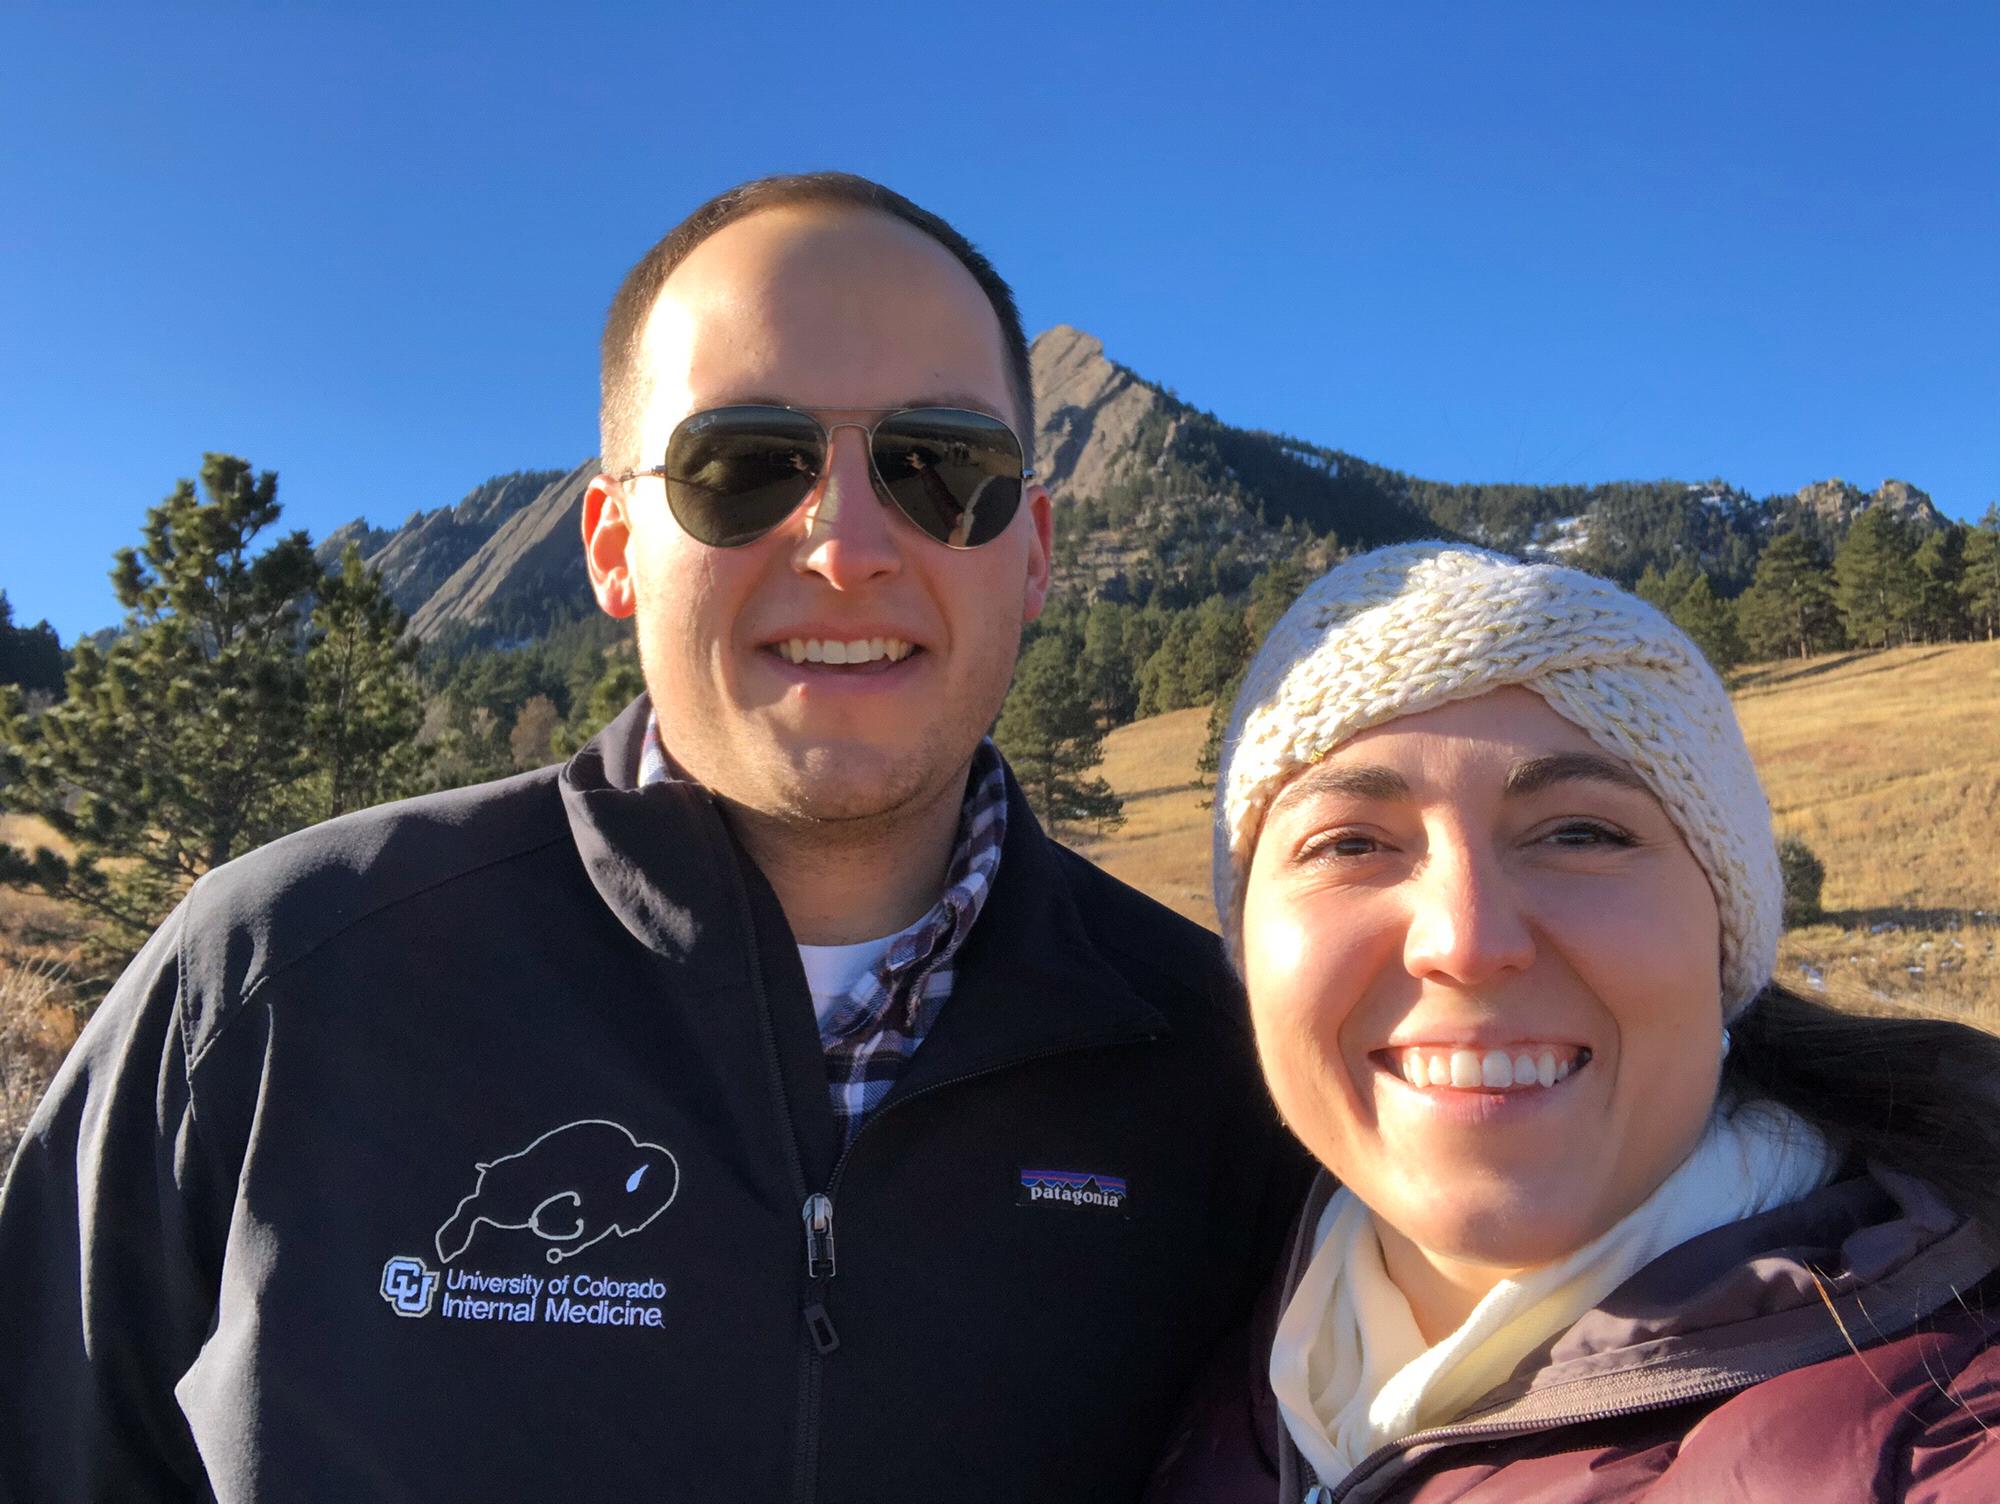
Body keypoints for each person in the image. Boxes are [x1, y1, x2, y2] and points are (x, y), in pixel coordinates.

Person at [0, 173, 1304, 1502]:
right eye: (745, 467)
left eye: (942, 468)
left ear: (1031, 551)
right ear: (613, 543)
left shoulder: (1239, 1073)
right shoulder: (276, 979)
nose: (848, 545)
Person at [1150, 543, 2000, 1502]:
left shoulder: (1954, 1442)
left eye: (1581, 832)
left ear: (1727, 933)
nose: (1466, 941)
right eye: (1350, 843)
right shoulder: (1192, 1363)